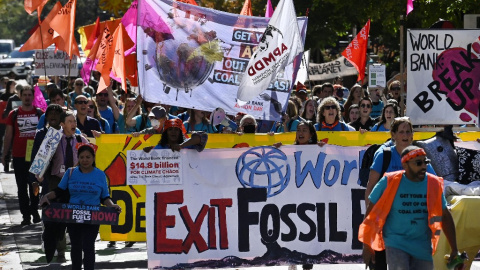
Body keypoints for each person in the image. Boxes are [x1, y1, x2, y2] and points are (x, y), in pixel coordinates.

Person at [360, 146, 459, 270]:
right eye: (418, 163)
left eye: (425, 162)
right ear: (405, 165)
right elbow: (371, 213)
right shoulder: (389, 181)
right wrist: (367, 245)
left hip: (422, 245)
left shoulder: (433, 183)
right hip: (395, 242)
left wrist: (454, 249)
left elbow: (445, 215)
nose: (424, 166)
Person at [363, 117, 436, 270]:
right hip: (384, 222)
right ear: (393, 135)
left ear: (412, 135)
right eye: (401, 131)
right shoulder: (384, 155)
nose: (405, 135)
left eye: (408, 132)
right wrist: (371, 225)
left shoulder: (420, 159)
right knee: (379, 265)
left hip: (412, 229)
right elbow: (370, 188)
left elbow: (434, 189)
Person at [39, 143, 121, 270]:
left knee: (89, 246)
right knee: (76, 246)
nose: (85, 160)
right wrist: (46, 196)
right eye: (82, 157)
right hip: (73, 216)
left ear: (93, 158)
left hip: (93, 217)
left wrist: (112, 205)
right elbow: (59, 191)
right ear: (78, 158)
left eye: (88, 157)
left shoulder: (100, 175)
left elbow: (105, 197)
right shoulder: (70, 172)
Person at [2, 86, 43, 225]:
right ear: (20, 96)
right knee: (21, 187)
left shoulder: (39, 113)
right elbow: (8, 136)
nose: (27, 97)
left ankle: (35, 211)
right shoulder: (13, 114)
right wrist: (4, 154)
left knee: (35, 185)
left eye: (29, 95)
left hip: (36, 157)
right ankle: (26, 215)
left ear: (33, 96)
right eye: (24, 95)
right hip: (19, 156)